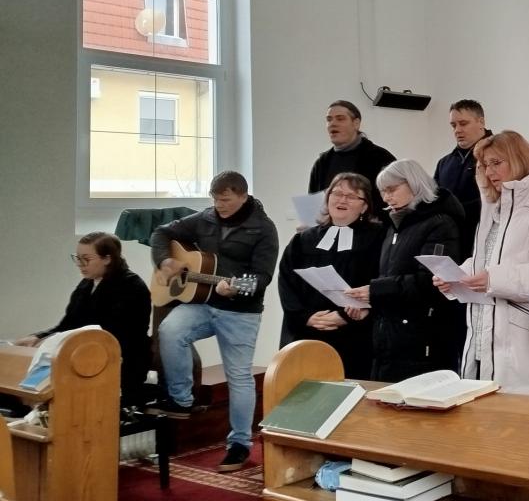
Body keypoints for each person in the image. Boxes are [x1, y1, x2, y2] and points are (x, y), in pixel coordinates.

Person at [147, 171, 280, 472]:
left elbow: (262, 278)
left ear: (243, 196)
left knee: (239, 376)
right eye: (215, 199)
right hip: (203, 303)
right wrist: (165, 260)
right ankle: (182, 399)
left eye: (225, 200)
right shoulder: (205, 218)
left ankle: (239, 444)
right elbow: (161, 233)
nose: (219, 205)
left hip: (240, 311)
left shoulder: (263, 228)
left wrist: (235, 288)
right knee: (170, 330)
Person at [434, 131, 529, 396]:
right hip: (485, 335)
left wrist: (493, 279)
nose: (489, 172)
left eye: (496, 163)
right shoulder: (495, 206)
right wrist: (459, 276)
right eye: (484, 165)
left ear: (518, 159)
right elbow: (491, 257)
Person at [345, 160, 466, 382]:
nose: (386, 198)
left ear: (414, 183)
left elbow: (430, 281)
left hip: (423, 341)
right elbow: (392, 278)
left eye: (392, 189)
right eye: (383, 192)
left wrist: (374, 291)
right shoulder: (395, 226)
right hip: (389, 338)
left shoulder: (440, 224)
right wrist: (371, 305)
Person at [16, 232, 151, 409]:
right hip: (84, 352)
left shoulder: (132, 286)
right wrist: (39, 337)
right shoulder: (86, 284)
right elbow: (68, 324)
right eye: (77, 258)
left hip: (120, 361)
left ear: (107, 259)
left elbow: (114, 335)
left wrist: (59, 344)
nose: (80, 264)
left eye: (86, 259)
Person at [277, 173, 385, 379]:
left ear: (364, 206)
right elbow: (286, 282)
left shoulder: (378, 238)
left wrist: (344, 317)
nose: (342, 200)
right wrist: (305, 317)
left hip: (354, 334)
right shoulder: (303, 239)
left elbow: (379, 281)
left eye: (351, 196)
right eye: (336, 193)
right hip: (308, 330)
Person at [308, 100, 396, 218]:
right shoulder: (322, 163)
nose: (332, 124)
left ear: (356, 123)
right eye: (329, 119)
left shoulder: (380, 157)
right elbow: (312, 208)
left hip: (372, 227)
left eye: (340, 119)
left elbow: (395, 200)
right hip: (330, 228)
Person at [433, 100, 492, 247]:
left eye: (463, 123)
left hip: (485, 239)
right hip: (450, 241)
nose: (457, 130)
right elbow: (434, 200)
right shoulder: (444, 163)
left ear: (481, 122)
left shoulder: (498, 156)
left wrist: (455, 211)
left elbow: (499, 198)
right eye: (453, 125)